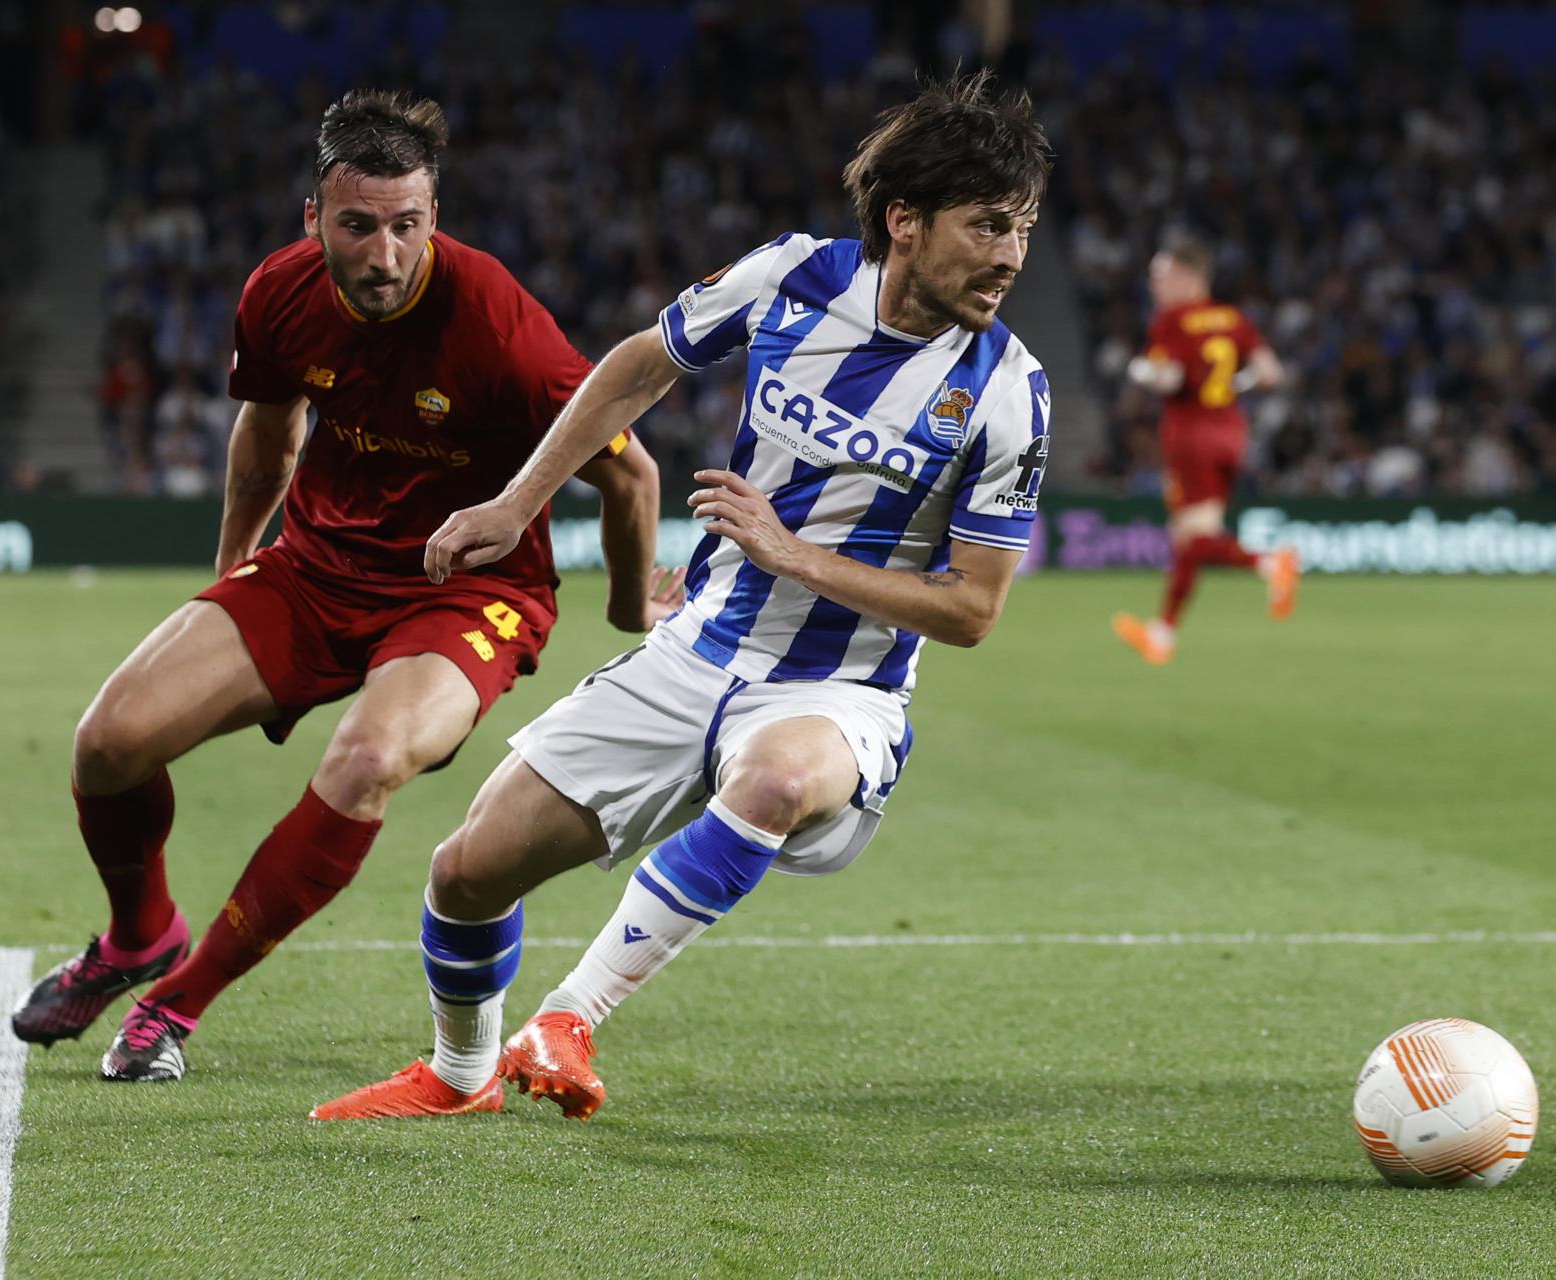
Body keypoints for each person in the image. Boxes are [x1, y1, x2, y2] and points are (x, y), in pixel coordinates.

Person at [310, 70, 1053, 1122]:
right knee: (468, 870)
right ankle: (459, 1073)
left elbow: (973, 608)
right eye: (987, 226)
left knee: (778, 777)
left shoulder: (1010, 393)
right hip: (696, 649)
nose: (1010, 255)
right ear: (905, 219)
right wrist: (519, 503)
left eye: (1021, 229)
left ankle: (568, 1013)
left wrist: (793, 556)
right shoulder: (794, 279)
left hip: (841, 688)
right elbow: (635, 368)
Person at [10, 89, 667, 1083]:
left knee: (366, 759)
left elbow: (632, 471)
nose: (385, 254)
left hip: (465, 594)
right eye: (359, 225)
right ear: (314, 218)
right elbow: (267, 432)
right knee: (108, 743)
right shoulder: (278, 292)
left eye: (407, 226)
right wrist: (231, 574)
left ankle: (174, 1004)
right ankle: (139, 935)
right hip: (316, 568)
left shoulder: (496, 323)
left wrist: (628, 609)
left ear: (433, 219)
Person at [1111, 237, 1298, 665]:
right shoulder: (1233, 317)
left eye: (1161, 275)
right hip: (1231, 432)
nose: (1154, 284)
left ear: (1188, 276)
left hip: (1191, 436)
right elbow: (1271, 373)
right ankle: (1163, 633)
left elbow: (1171, 381)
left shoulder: (1172, 319)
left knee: (1194, 538)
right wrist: (1236, 384)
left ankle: (1270, 561)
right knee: (1187, 539)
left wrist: (1140, 370)